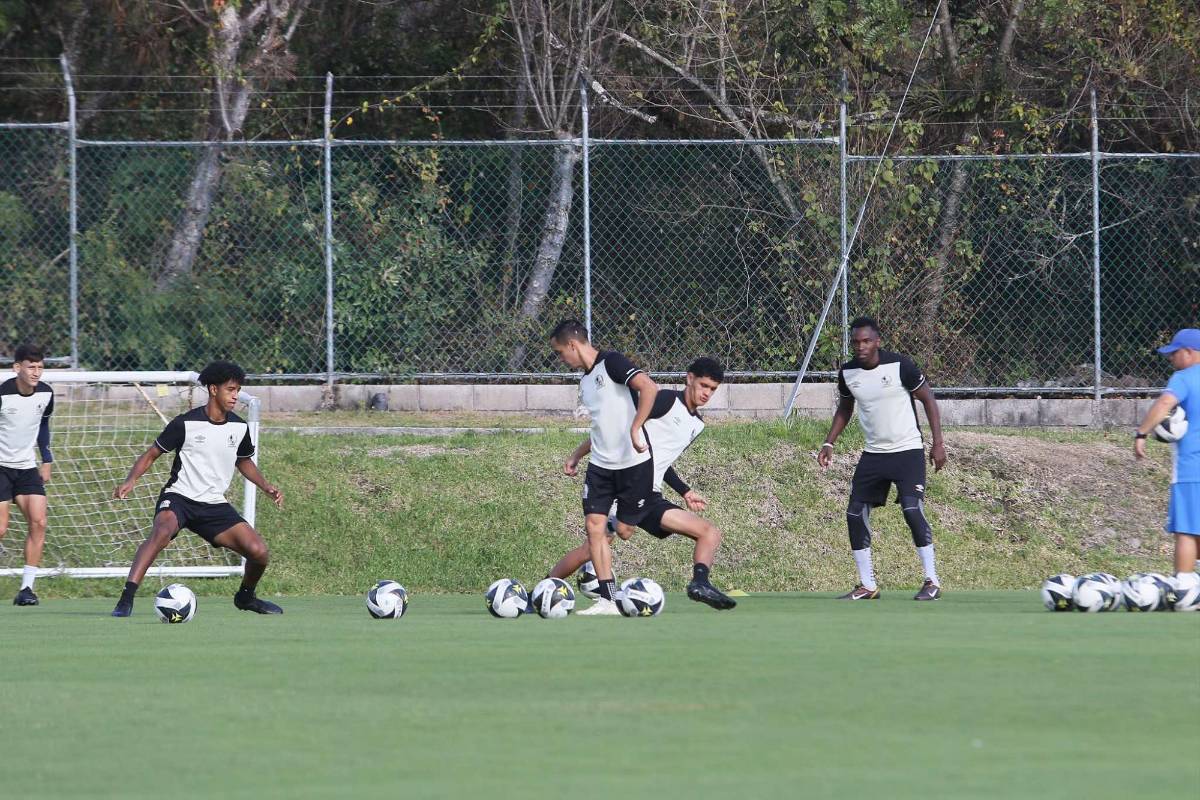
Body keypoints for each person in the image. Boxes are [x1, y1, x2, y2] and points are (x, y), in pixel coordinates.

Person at [547, 357, 737, 610]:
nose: (707, 393)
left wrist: (685, 490)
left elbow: (661, 459)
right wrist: (577, 454)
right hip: (627, 484)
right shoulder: (667, 401)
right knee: (595, 545)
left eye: (713, 389)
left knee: (709, 533)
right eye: (703, 385)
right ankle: (545, 587)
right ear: (689, 378)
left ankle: (700, 583)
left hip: (650, 494)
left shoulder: (697, 425)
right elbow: (618, 428)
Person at [110, 360, 284, 617]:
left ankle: (246, 597)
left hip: (213, 504)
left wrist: (266, 485)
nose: (236, 396)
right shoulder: (184, 423)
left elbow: (243, 461)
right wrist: (131, 479)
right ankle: (126, 598)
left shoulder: (239, 427)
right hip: (179, 497)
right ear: (213, 389)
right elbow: (151, 454)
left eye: (238, 390)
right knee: (162, 530)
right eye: (231, 389)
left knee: (259, 552)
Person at [817, 317, 947, 600]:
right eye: (856, 342)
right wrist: (829, 442)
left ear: (878, 341)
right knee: (854, 513)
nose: (861, 347)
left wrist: (938, 443)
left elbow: (928, 399)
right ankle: (868, 585)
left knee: (912, 510)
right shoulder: (848, 372)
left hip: (908, 451)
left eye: (866, 341)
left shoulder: (901, 365)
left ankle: (932, 581)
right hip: (874, 454)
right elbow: (845, 408)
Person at [551, 320, 659, 616]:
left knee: (624, 530)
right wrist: (576, 456)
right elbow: (601, 427)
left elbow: (649, 388)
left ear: (573, 345)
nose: (562, 360)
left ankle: (617, 524)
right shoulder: (585, 382)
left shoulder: (611, 362)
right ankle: (608, 599)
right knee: (593, 527)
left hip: (634, 464)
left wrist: (636, 428)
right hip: (600, 466)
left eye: (561, 353)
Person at [1134, 328, 1200, 577]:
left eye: (1174, 353)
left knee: (1186, 531)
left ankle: (1183, 589)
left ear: (1189, 352)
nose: (1171, 359)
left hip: (1192, 468)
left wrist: (1142, 433)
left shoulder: (1183, 378)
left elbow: (1164, 404)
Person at [0, 344, 55, 606]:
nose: (36, 372)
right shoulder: (2, 393)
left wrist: (47, 459)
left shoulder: (46, 394)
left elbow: (43, 424)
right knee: (1, 528)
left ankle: (26, 589)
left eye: (40, 367)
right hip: (0, 466)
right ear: (17, 367)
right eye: (31, 366)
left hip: (26, 467)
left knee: (39, 521)